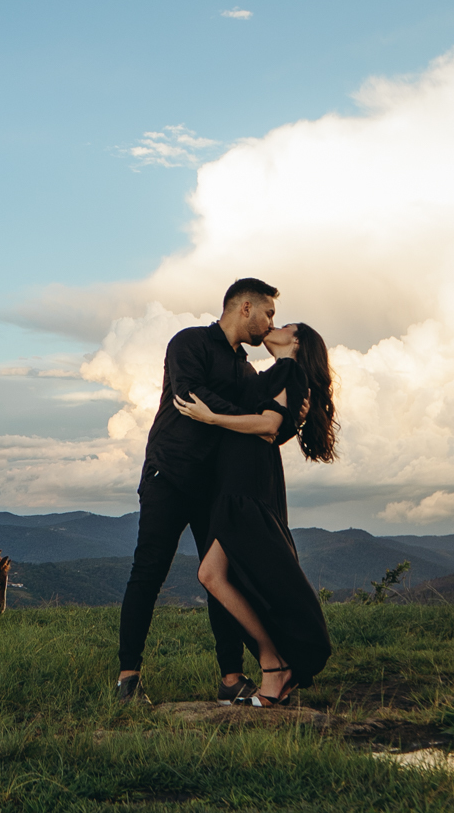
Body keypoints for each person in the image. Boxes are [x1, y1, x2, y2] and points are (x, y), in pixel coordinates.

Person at [117, 279, 288, 703]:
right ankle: (128, 680)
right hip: (168, 477)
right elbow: (189, 395)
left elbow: (263, 424)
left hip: (214, 489)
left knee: (220, 579)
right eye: (268, 314)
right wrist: (250, 415)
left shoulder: (246, 369)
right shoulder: (189, 343)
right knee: (148, 573)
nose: (271, 324)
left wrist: (280, 413)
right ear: (245, 307)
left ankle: (231, 678)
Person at [174, 320, 338, 705]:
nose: (273, 326)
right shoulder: (279, 373)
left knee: (212, 574)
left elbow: (270, 424)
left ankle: (274, 664)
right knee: (213, 574)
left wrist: (211, 417)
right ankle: (274, 662)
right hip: (241, 479)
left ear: (295, 341)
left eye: (283, 324)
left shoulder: (289, 370)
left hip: (247, 482)